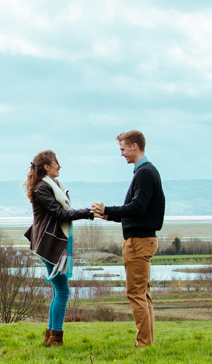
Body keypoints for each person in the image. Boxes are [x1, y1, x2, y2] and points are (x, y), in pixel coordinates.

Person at [92, 130, 165, 347]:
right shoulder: (147, 171)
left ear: (135, 145)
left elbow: (137, 208)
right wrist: (109, 215)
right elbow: (137, 213)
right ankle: (147, 341)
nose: (122, 154)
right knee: (144, 294)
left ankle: (143, 343)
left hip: (138, 243)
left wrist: (108, 209)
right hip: (142, 239)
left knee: (135, 294)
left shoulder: (144, 173)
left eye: (123, 149)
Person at [24, 150, 93, 347]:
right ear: (46, 166)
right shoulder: (43, 188)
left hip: (49, 242)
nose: (59, 166)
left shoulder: (49, 187)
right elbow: (60, 214)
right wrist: (88, 213)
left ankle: (51, 335)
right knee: (62, 291)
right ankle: (55, 337)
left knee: (58, 290)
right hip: (49, 244)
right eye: (56, 162)